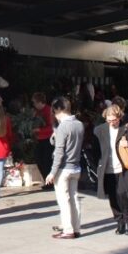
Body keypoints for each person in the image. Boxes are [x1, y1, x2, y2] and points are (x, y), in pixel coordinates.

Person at [94, 104, 128, 235]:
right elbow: (96, 150)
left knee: (124, 195)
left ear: (119, 117)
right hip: (107, 169)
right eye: (109, 120)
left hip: (123, 168)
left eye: (114, 120)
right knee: (113, 196)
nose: (112, 122)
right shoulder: (99, 130)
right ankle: (119, 222)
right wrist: (98, 164)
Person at [45, 97, 83, 239]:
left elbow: (59, 151)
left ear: (57, 110)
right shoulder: (79, 124)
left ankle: (68, 230)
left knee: (64, 200)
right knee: (74, 198)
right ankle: (76, 227)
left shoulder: (62, 127)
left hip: (63, 168)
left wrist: (52, 172)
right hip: (76, 166)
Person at [32, 92, 54, 188]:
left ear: (40, 102)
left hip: (47, 139)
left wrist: (39, 130)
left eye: (35, 102)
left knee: (46, 161)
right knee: (39, 160)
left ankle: (50, 182)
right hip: (39, 139)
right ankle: (47, 180)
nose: (34, 104)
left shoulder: (48, 110)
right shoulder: (37, 112)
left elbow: (52, 127)